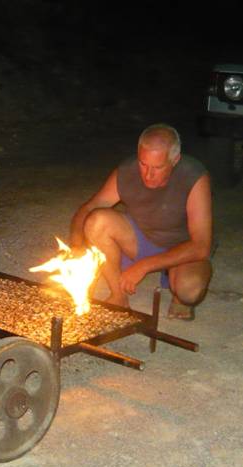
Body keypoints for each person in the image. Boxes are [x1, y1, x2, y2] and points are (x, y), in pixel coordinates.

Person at [69, 123, 212, 320]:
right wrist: (76, 246)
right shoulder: (126, 170)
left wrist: (144, 266)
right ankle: (118, 295)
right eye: (143, 164)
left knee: (189, 291)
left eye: (158, 167)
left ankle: (178, 295)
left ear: (175, 160)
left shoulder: (194, 176)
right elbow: (89, 208)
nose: (148, 174)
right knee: (96, 222)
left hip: (181, 249)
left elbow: (201, 246)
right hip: (141, 240)